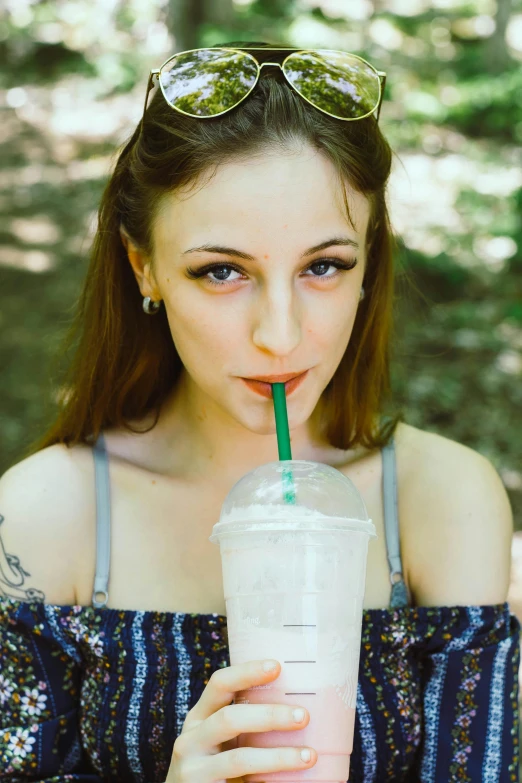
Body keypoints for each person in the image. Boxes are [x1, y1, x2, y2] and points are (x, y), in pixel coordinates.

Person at [0, 40, 519, 783]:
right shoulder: (45, 515)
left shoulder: (444, 503)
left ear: (369, 259)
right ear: (142, 264)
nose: (279, 334)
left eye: (324, 266)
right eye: (222, 271)